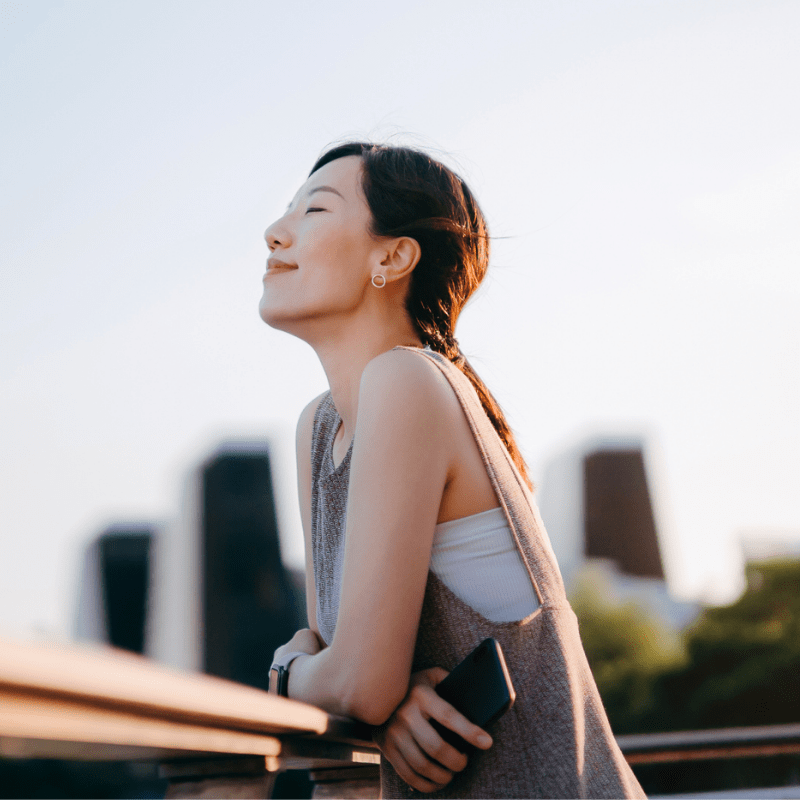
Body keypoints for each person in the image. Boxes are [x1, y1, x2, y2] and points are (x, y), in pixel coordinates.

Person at [262, 141, 645, 799]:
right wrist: (380, 702)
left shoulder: (407, 379)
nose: (275, 232)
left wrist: (283, 671)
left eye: (314, 209)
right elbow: (347, 665)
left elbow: (351, 679)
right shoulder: (319, 428)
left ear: (392, 256)